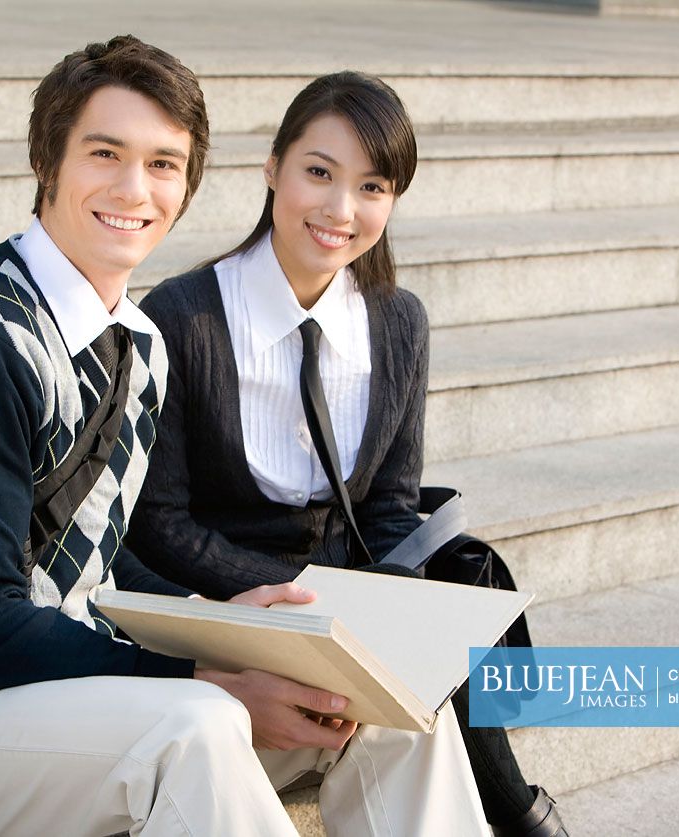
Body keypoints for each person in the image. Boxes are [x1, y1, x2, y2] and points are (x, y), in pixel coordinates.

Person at [0, 38, 489, 836]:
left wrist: (229, 619)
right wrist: (201, 670)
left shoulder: (138, 340)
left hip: (66, 696)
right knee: (200, 722)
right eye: (104, 153)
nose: (132, 188)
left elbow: (102, 559)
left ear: (187, 186)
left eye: (163, 164)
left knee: (387, 707)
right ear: (48, 160)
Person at [128, 71, 568, 837]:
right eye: (318, 173)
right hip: (228, 603)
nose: (340, 210)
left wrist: (391, 599)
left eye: (371, 185)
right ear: (272, 168)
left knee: (437, 626)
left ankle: (518, 811)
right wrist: (306, 599)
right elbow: (159, 522)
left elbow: (391, 503)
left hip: (349, 593)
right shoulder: (183, 315)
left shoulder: (396, 320)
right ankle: (524, 816)